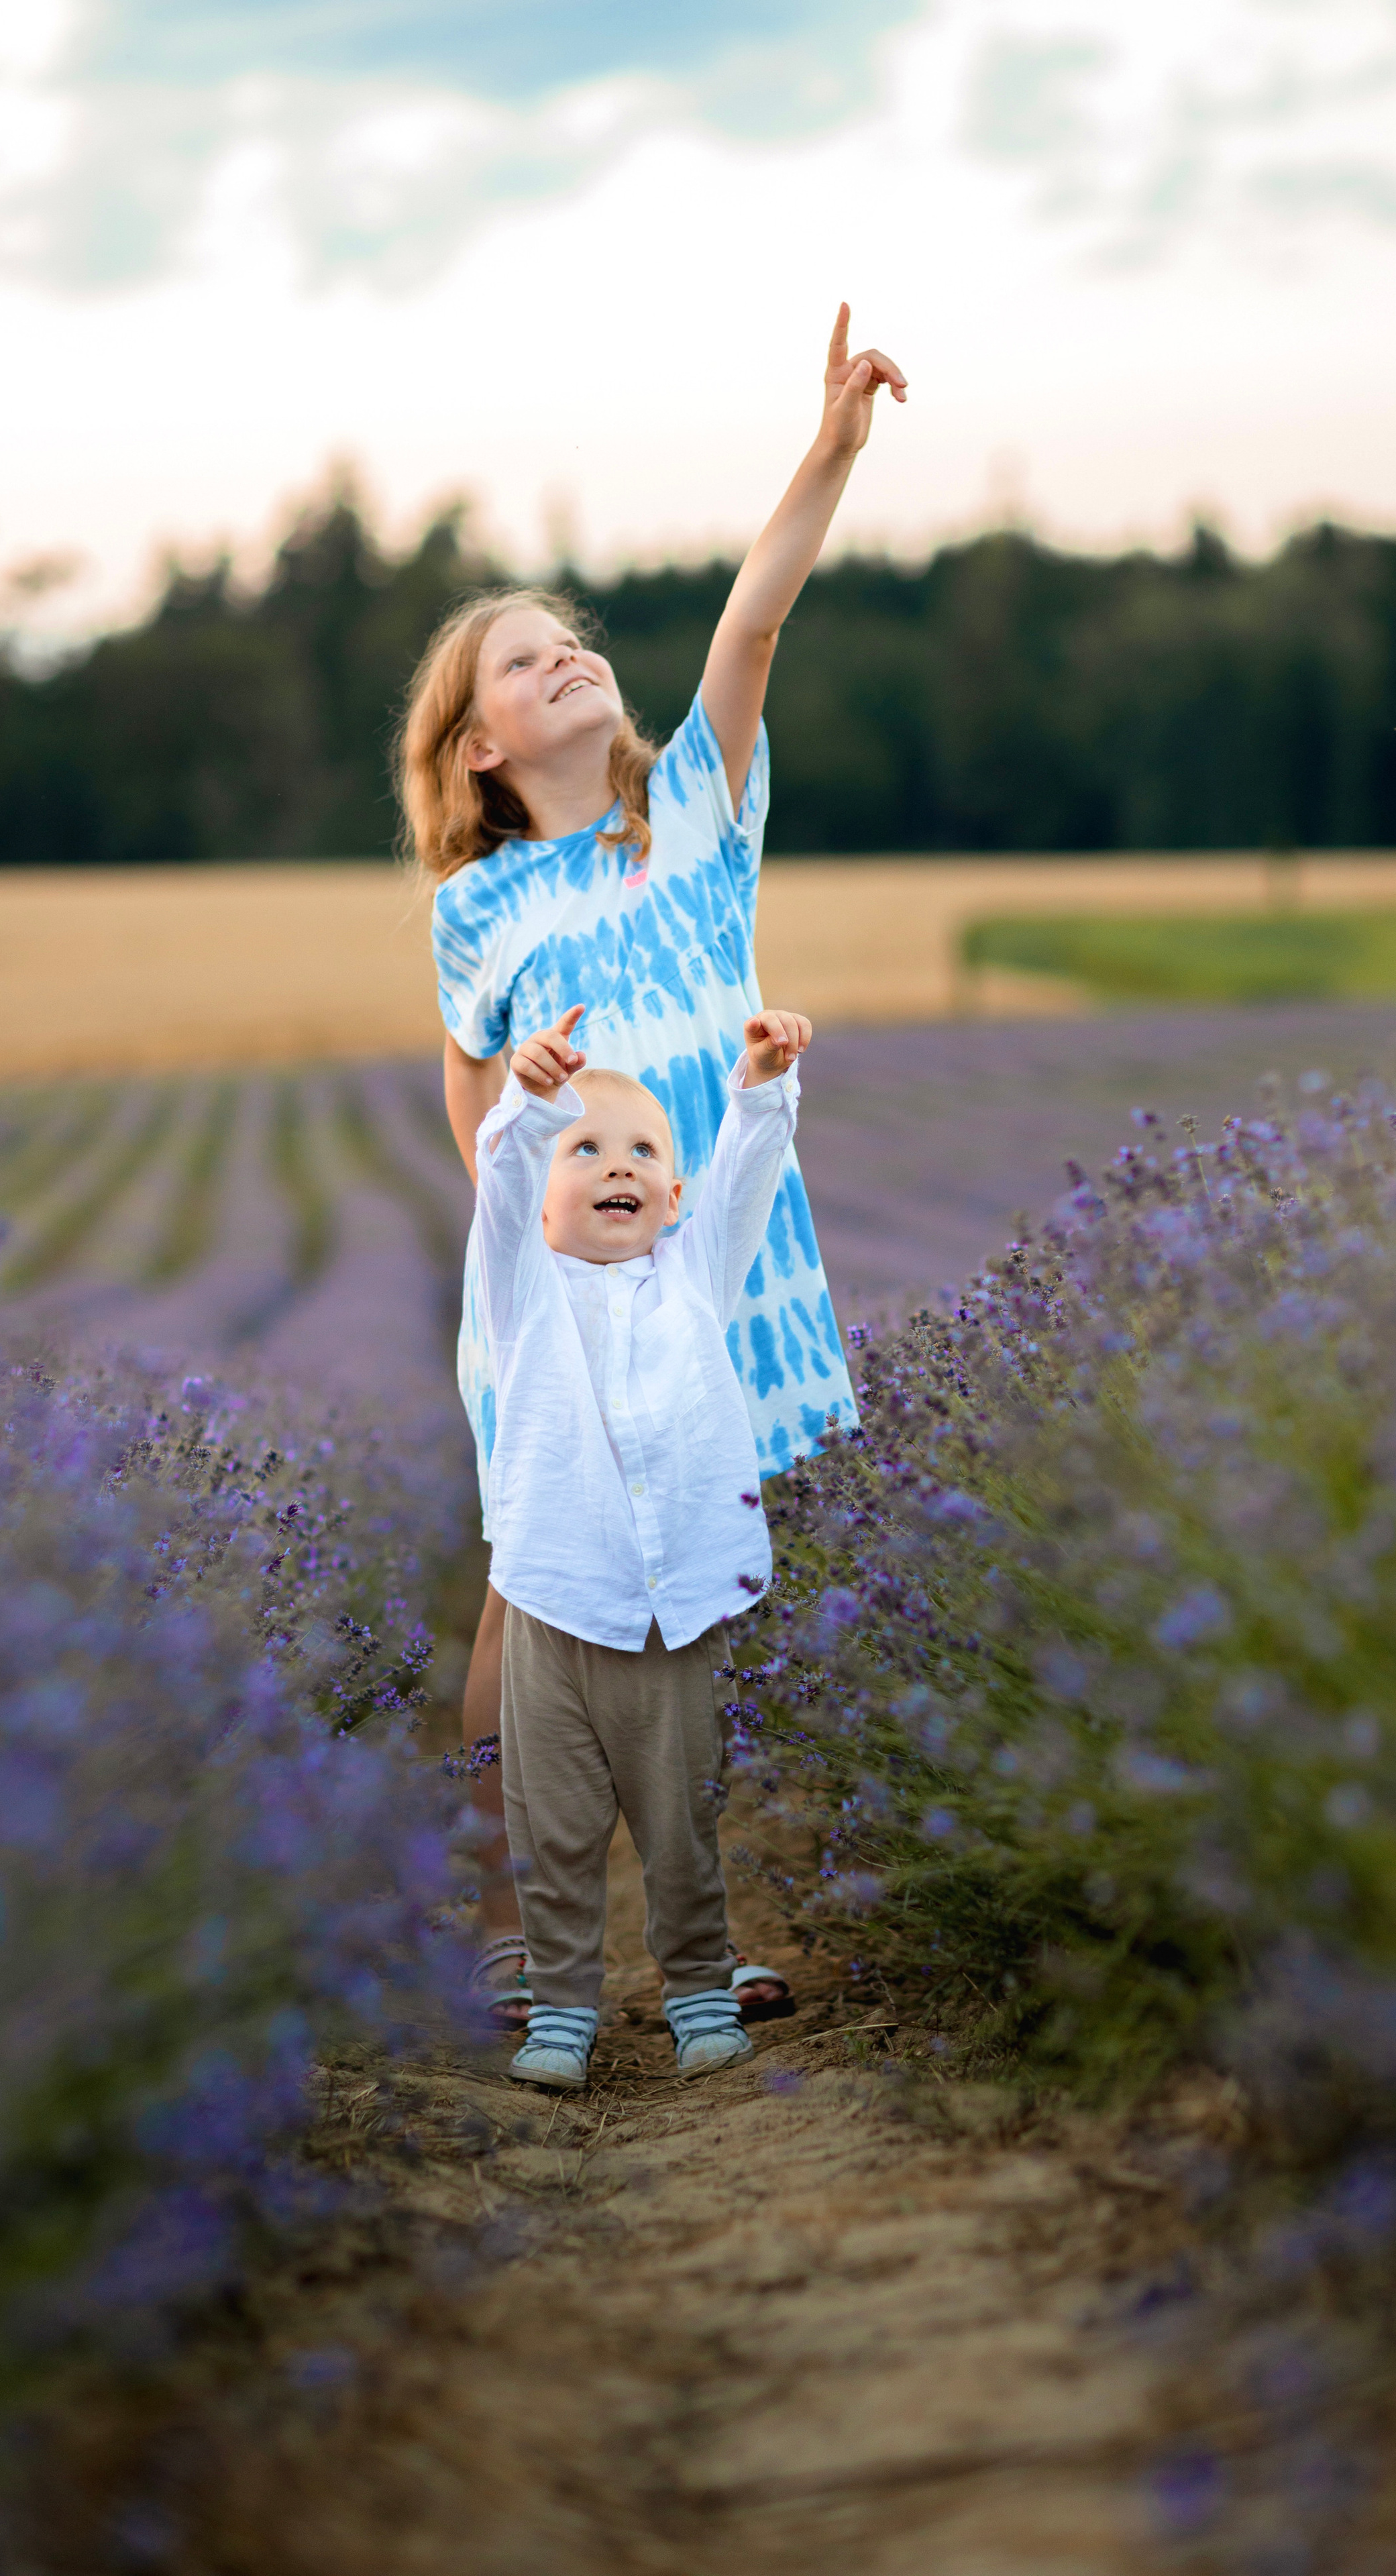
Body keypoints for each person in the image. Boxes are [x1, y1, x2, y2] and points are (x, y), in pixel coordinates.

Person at [400, 305, 906, 2026]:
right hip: (560, 1299)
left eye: (571, 644)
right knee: (530, 1589)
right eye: (522, 667)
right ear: (478, 750)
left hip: (719, 1264)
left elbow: (752, 616)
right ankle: (507, 1917)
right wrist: (529, 1133)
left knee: (697, 1582)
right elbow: (474, 1119)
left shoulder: (694, 803)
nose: (566, 664)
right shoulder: (477, 909)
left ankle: (703, 1934)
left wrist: (829, 449)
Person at [473, 999, 811, 2089]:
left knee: (680, 1827)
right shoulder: (523, 1292)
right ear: (543, 1194)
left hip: (674, 1609)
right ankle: (563, 2014)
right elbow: (504, 1187)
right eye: (586, 1148)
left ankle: (701, 1994)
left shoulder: (693, 1280)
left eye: (642, 1152)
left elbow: (748, 1181)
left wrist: (760, 1089)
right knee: (558, 1834)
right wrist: (527, 1107)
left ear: (673, 1196)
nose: (615, 1165)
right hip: (556, 1604)